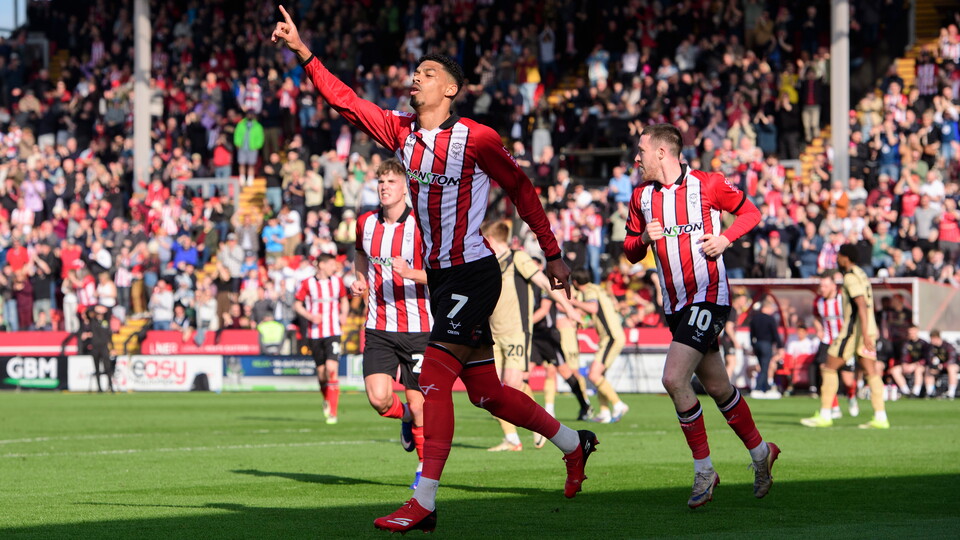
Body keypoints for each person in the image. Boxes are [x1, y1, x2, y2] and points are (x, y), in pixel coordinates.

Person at [273, 8, 597, 533]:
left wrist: (552, 251)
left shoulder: (478, 138)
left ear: (450, 89)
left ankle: (423, 501)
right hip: (443, 279)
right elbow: (346, 101)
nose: (415, 78)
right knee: (487, 391)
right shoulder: (402, 133)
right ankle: (573, 442)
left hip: (473, 270)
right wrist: (304, 51)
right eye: (415, 72)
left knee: (434, 379)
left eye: (426, 73)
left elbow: (521, 190)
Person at [623, 123, 778, 508]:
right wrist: (644, 239)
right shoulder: (641, 197)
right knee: (719, 388)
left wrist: (726, 238)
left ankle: (704, 471)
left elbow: (751, 212)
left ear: (661, 152)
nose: (636, 158)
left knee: (674, 378)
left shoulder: (707, 185)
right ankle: (762, 454)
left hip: (709, 297)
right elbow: (629, 250)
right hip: (674, 305)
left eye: (641, 150)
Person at [350, 158, 433, 489]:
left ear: (405, 188)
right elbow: (359, 253)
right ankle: (406, 419)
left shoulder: (422, 227)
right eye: (380, 182)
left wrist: (412, 272)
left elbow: (443, 276)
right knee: (378, 398)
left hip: (418, 327)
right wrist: (359, 278)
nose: (384, 187)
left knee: (419, 401)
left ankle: (424, 471)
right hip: (379, 326)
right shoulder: (365, 223)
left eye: (391, 182)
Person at [482, 221, 581, 451]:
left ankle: (541, 424)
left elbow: (545, 285)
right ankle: (512, 439)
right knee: (493, 390)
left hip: (517, 332)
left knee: (513, 384)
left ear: (492, 239)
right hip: (494, 333)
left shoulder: (518, 258)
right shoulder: (489, 264)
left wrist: (568, 307)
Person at [802, 244, 889, 429]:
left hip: (853, 332)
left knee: (829, 367)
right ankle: (881, 417)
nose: (837, 260)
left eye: (839, 256)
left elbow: (861, 304)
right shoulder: (861, 273)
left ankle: (825, 414)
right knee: (871, 372)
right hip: (867, 330)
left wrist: (864, 333)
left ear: (846, 257)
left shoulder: (849, 277)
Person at [294, 253, 349, 425]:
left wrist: (344, 314)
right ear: (322, 265)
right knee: (321, 373)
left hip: (333, 331)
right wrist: (309, 316)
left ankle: (333, 412)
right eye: (332, 264)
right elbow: (297, 304)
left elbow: (344, 299)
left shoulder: (337, 281)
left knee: (331, 368)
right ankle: (326, 398)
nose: (335, 267)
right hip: (315, 333)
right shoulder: (307, 283)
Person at [569, 269, 630, 423]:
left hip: (611, 337)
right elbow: (595, 313)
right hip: (611, 336)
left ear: (575, 283)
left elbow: (593, 308)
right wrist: (584, 320)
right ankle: (604, 412)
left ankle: (618, 404)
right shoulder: (596, 288)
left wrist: (573, 302)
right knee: (600, 376)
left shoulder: (589, 291)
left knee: (593, 375)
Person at [530, 284, 592, 424]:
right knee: (527, 373)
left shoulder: (543, 285)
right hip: (534, 336)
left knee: (566, 371)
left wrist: (524, 323)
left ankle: (584, 404)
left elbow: (545, 309)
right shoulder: (526, 285)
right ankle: (546, 409)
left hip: (548, 336)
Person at [811, 272, 858, 417]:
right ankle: (834, 407)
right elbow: (816, 317)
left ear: (833, 286)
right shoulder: (818, 301)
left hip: (843, 342)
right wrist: (819, 328)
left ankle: (851, 396)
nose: (822, 289)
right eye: (821, 286)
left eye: (825, 286)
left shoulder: (843, 300)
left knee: (848, 380)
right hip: (827, 342)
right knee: (826, 372)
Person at [748, 299, 783, 398]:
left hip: (757, 344)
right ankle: (757, 389)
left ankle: (766, 388)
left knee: (763, 366)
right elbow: (775, 334)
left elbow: (751, 334)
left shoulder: (754, 318)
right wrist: (780, 346)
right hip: (766, 345)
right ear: (766, 308)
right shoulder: (770, 319)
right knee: (764, 367)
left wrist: (753, 346)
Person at [891, 325, 931, 398]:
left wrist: (916, 364)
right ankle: (906, 392)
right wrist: (904, 364)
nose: (911, 333)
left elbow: (927, 358)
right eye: (910, 332)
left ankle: (916, 392)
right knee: (894, 370)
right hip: (908, 365)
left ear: (917, 331)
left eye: (913, 331)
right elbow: (904, 355)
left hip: (920, 366)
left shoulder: (924, 343)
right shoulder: (905, 343)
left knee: (918, 370)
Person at [88, 306, 114, 393]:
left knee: (108, 368)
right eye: (98, 314)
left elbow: (110, 337)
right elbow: (88, 313)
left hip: (104, 348)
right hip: (95, 348)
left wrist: (112, 348)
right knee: (97, 369)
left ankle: (110, 386)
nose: (99, 315)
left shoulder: (106, 323)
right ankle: (99, 388)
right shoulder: (93, 322)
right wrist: (95, 309)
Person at [926, 330, 958, 399]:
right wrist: (933, 367)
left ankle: (951, 393)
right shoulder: (931, 348)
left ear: (936, 338)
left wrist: (942, 366)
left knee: (951, 368)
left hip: (951, 367)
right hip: (939, 368)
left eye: (932, 339)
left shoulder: (948, 346)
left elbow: (952, 360)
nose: (931, 341)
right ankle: (930, 392)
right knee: (928, 369)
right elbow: (929, 359)